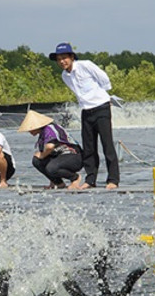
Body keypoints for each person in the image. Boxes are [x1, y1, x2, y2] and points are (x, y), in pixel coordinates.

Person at [49, 42, 119, 190]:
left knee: (107, 145)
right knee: (88, 147)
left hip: (101, 107)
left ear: (72, 57)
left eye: (64, 58)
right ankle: (90, 179)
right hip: (86, 111)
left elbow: (104, 79)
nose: (62, 61)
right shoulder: (64, 76)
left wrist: (102, 95)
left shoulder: (85, 65)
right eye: (59, 59)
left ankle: (112, 179)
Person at [17, 109, 83, 190]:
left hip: (74, 156)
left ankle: (75, 178)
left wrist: (41, 155)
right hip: (60, 157)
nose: (29, 131)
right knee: (37, 161)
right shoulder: (42, 134)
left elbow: (50, 147)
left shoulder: (49, 129)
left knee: (50, 167)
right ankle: (57, 182)